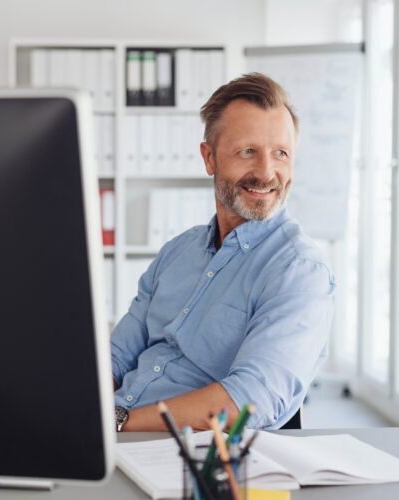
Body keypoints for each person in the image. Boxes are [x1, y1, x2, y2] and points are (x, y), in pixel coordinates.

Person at [111, 73, 335, 432]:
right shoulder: (177, 252)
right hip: (113, 434)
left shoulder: (299, 271)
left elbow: (250, 401)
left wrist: (118, 422)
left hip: (188, 455)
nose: (266, 173)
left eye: (281, 153)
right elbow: (116, 357)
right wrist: (74, 412)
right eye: (247, 151)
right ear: (209, 158)